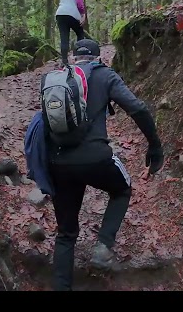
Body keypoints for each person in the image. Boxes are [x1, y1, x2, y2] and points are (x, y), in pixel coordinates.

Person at [41, 38, 164, 291]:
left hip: (59, 162)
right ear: (98, 58)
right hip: (96, 159)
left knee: (65, 234)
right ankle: (103, 246)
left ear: (74, 58)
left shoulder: (59, 79)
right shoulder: (105, 75)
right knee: (122, 188)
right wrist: (154, 145)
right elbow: (137, 108)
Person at [55, 0, 86, 65]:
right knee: (80, 33)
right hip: (72, 14)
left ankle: (64, 61)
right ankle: (79, 57)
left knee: (64, 37)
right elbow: (79, 3)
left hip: (60, 14)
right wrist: (83, 14)